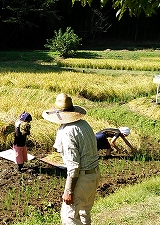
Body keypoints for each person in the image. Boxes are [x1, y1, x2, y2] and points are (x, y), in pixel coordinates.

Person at [42, 93, 100, 225]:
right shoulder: (83, 124)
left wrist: (69, 191)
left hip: (82, 178)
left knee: (69, 217)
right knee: (83, 212)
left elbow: (73, 166)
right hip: (94, 175)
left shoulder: (67, 132)